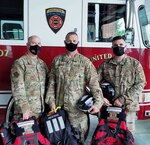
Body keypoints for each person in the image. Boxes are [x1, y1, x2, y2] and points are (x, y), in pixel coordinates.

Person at [45, 32, 104, 143]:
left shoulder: (85, 62)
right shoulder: (57, 61)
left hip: (77, 112)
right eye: (69, 41)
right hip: (59, 109)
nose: (71, 43)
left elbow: (94, 84)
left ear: (78, 43)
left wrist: (97, 104)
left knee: (78, 139)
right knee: (59, 139)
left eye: (74, 41)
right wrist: (51, 102)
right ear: (64, 42)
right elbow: (52, 84)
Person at [97, 36, 146, 133]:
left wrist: (123, 99)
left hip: (128, 108)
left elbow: (141, 83)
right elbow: (94, 83)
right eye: (115, 45)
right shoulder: (104, 65)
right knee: (107, 136)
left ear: (125, 46)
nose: (118, 47)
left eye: (120, 45)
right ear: (112, 47)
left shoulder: (134, 64)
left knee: (127, 136)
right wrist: (101, 98)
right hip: (109, 107)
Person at [10, 35, 48, 120]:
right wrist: (24, 107)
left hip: (40, 111)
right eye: (33, 43)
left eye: (38, 43)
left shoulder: (42, 64)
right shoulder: (20, 63)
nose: (36, 46)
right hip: (26, 112)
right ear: (27, 45)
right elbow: (17, 87)